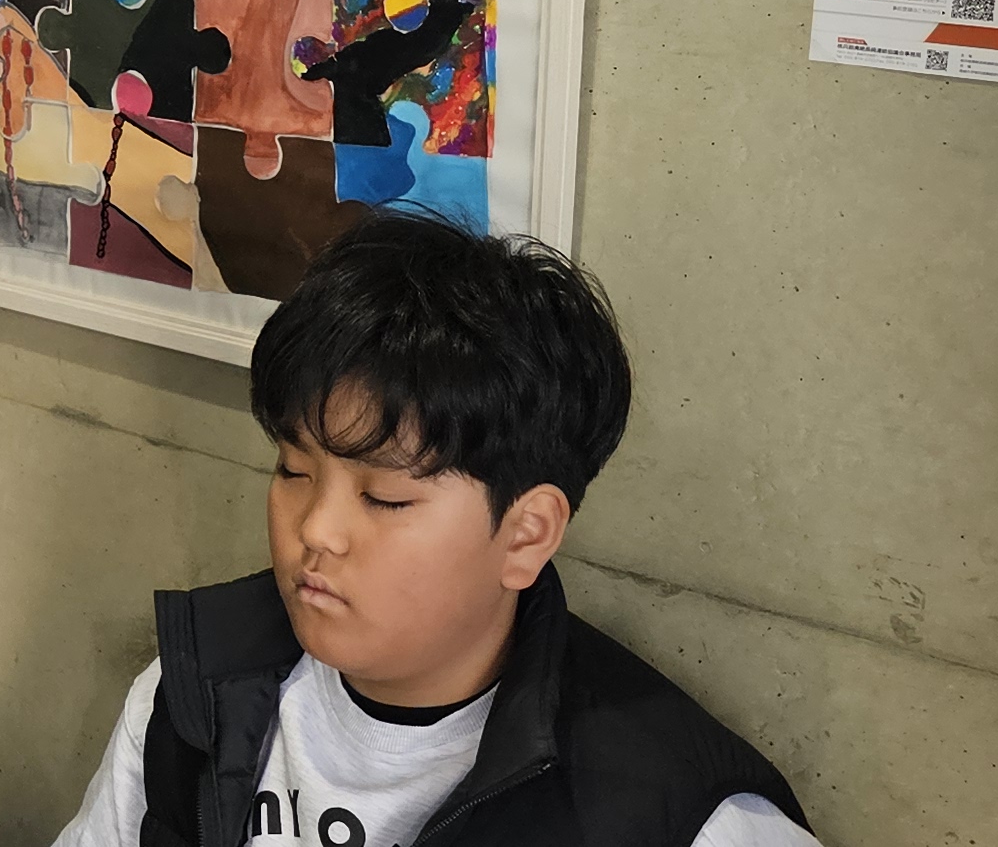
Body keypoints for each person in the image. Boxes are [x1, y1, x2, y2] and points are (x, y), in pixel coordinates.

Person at [49, 213, 815, 846]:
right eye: (292, 470)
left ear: (526, 534)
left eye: (384, 498)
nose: (317, 529)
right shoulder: (193, 692)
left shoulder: (676, 816)